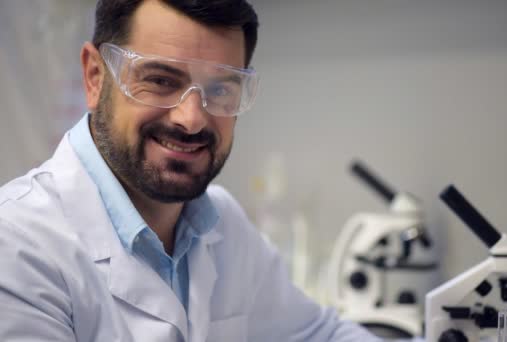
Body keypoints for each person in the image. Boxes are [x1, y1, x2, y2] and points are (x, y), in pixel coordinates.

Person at [0, 0, 382, 341]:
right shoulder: (18, 247)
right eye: (161, 81)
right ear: (95, 78)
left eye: (220, 90)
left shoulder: (221, 223)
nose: (192, 119)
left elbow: (321, 334)